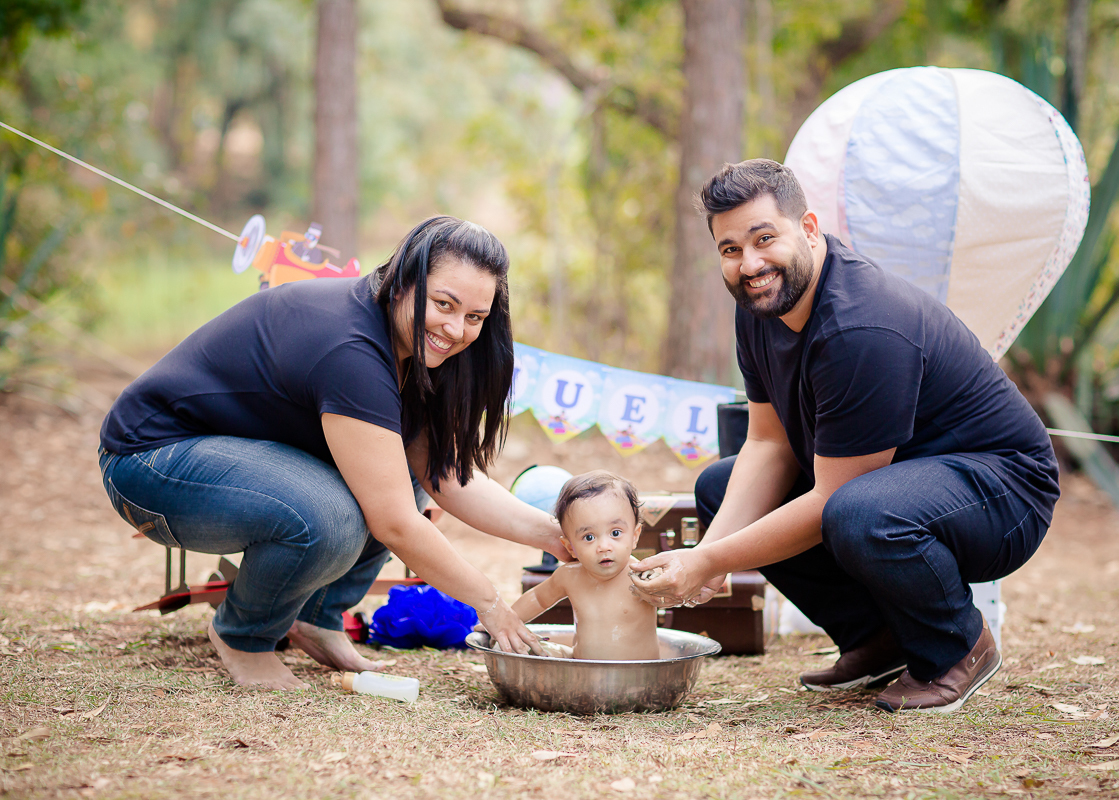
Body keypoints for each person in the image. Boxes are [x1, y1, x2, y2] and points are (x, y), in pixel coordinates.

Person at [631, 160, 1059, 713]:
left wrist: (705, 564)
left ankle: (957, 648)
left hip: (1004, 492)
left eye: (765, 239)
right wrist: (708, 555)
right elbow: (767, 444)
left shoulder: (861, 325)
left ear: (808, 228)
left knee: (857, 512)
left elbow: (833, 499)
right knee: (719, 486)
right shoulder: (760, 308)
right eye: (730, 249)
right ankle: (877, 639)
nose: (750, 264)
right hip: (897, 488)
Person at [98, 216, 565, 690]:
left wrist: (554, 535)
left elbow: (445, 477)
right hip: (149, 463)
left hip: (231, 459)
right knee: (331, 515)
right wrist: (490, 605)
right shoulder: (352, 349)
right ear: (405, 281)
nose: (456, 329)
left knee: (398, 475)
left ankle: (318, 619)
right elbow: (396, 523)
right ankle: (245, 635)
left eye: (474, 318)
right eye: (444, 304)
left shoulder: (418, 350)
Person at [511, 470, 659, 661]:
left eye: (615, 533)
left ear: (635, 536)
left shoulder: (641, 575)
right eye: (589, 537)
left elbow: (668, 597)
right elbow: (538, 598)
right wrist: (507, 621)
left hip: (636, 675)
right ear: (570, 547)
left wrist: (657, 585)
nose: (604, 547)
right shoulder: (569, 576)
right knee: (522, 646)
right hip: (582, 670)